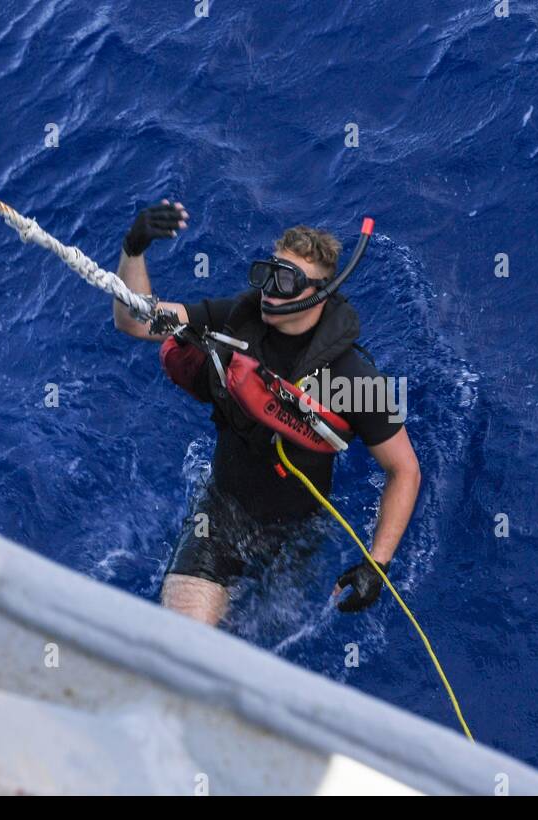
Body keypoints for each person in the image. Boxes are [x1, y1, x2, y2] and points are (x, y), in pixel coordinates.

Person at [113, 200, 421, 627]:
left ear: (319, 293)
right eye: (267, 273)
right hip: (221, 510)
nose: (270, 289)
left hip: (295, 532)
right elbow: (136, 322)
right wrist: (134, 248)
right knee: (180, 641)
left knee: (270, 640)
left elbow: (404, 470)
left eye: (285, 280)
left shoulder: (352, 378)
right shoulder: (233, 321)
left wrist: (377, 564)